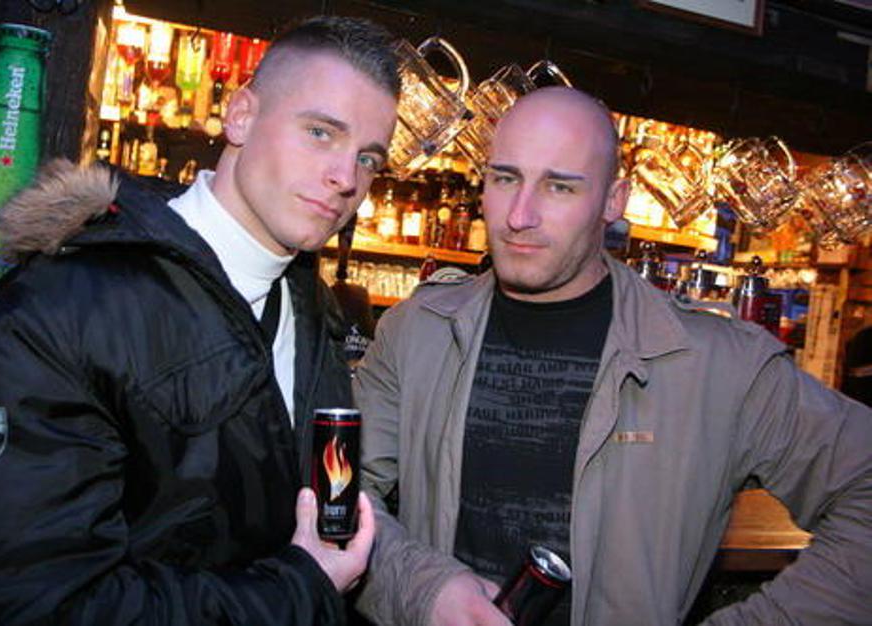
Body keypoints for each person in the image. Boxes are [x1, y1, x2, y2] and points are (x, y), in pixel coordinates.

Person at [0, 15, 399, 625]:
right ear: (241, 115)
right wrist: (297, 589)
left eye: (368, 159)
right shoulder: (63, 306)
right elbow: (20, 601)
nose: (345, 179)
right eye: (319, 133)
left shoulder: (312, 310)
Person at [353, 87, 872, 625]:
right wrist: (423, 591)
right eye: (505, 178)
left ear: (613, 201)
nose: (519, 215)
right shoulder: (417, 331)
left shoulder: (722, 366)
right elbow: (336, 493)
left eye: (559, 186)